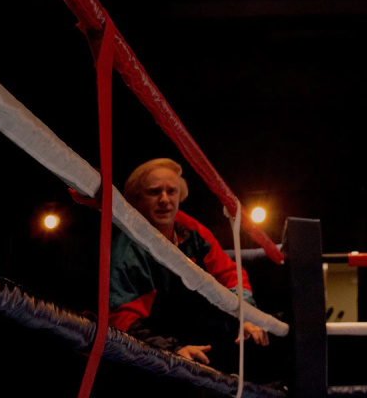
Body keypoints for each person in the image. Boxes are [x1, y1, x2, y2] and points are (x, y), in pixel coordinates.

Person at [110, 157, 270, 366]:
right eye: (154, 192)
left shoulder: (192, 230)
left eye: (171, 191)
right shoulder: (125, 251)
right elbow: (122, 321)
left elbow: (229, 275)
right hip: (148, 355)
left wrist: (246, 315)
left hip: (193, 333)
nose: (165, 199)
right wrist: (172, 352)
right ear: (137, 199)